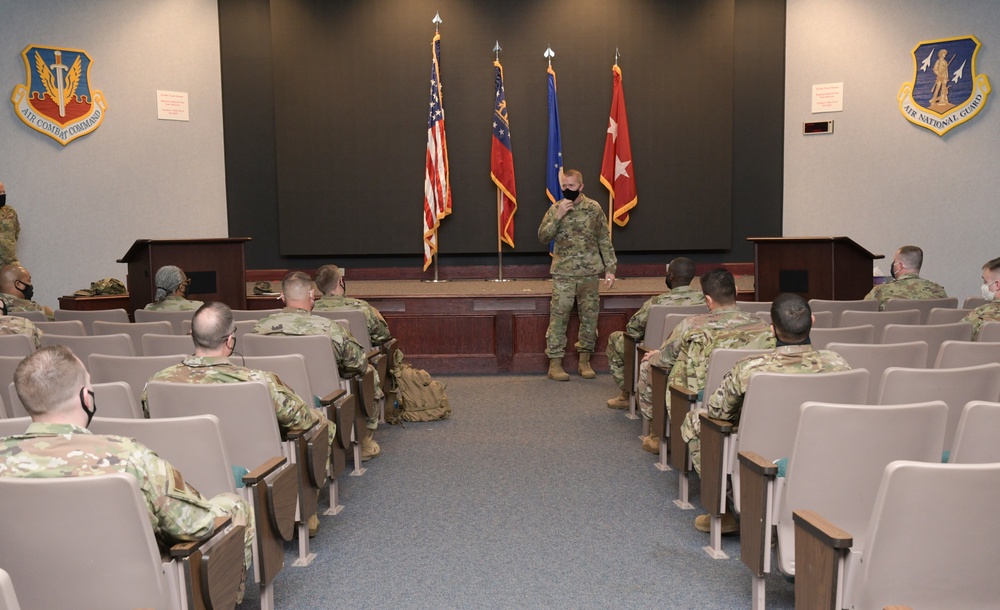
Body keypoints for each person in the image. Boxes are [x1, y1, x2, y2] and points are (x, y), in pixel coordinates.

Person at [0, 345, 254, 595]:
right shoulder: (127, 456)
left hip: (27, 593)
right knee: (232, 505)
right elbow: (197, 525)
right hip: (131, 595)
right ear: (86, 397)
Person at [143, 301, 334, 533]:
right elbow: (302, 421)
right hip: (260, 473)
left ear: (192, 336)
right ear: (230, 340)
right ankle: (306, 511)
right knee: (319, 423)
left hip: (183, 474)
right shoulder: (259, 381)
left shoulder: (155, 382)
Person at [679, 293, 851, 532]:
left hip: (757, 453)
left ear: (772, 330)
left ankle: (725, 510)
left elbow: (719, 412)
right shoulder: (840, 364)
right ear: (812, 321)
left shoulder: (750, 369)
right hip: (819, 451)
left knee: (697, 419)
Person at [635, 269, 772, 453]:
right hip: (745, 393)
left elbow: (666, 358)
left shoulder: (692, 325)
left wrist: (653, 356)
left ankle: (657, 435)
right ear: (737, 291)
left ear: (707, 300)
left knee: (648, 364)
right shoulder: (762, 325)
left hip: (698, 392)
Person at [253, 271, 382, 460]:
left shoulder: (259, 329)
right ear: (312, 295)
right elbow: (358, 363)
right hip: (324, 398)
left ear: (282, 297)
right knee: (369, 372)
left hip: (276, 401)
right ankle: (364, 442)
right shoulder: (328, 328)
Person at [537, 169, 617, 381]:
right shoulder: (556, 208)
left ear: (581, 187)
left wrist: (610, 268)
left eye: (571, 186)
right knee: (558, 318)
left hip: (589, 274)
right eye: (564, 186)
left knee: (590, 319)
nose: (567, 190)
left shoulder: (594, 209)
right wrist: (558, 215)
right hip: (563, 274)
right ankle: (555, 364)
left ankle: (584, 361)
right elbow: (543, 237)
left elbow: (604, 239)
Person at [605, 257, 705, 408]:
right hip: (694, 352)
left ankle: (627, 395)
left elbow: (632, 329)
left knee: (616, 338)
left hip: (655, 353)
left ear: (671, 276)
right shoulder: (705, 300)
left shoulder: (656, 302)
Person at [313, 264, 393, 348]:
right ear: (340, 281)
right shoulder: (361, 307)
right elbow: (383, 336)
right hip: (361, 358)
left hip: (325, 357)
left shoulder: (311, 309)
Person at [864, 245, 946, 310]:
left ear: (900, 265)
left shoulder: (880, 291)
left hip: (893, 331)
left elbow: (862, 315)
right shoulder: (939, 291)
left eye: (894, 261)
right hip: (930, 331)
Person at [963, 256, 1000, 340]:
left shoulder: (980, 313)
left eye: (985, 281)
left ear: (997, 285)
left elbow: (957, 339)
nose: (983, 286)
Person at [0, 181, 20, 268]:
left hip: (10, 264)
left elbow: (16, 233)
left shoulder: (9, 212)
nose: (2, 195)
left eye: (3, 192)